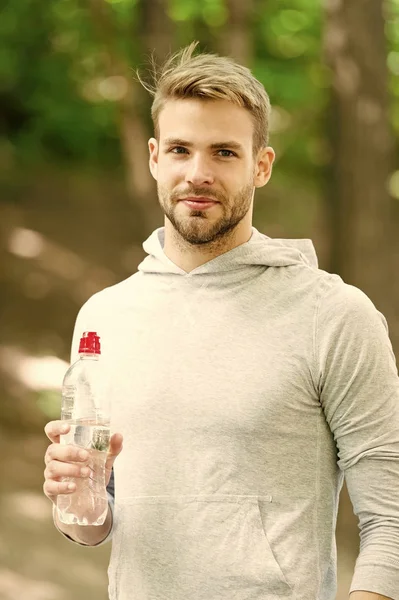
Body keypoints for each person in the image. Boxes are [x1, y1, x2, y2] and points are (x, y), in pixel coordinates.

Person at [43, 42, 399, 600]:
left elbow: (393, 522)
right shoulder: (105, 317)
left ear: (262, 165)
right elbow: (96, 524)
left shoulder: (333, 316)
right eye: (181, 150)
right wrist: (84, 509)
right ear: (156, 158)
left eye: (225, 153)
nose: (198, 173)